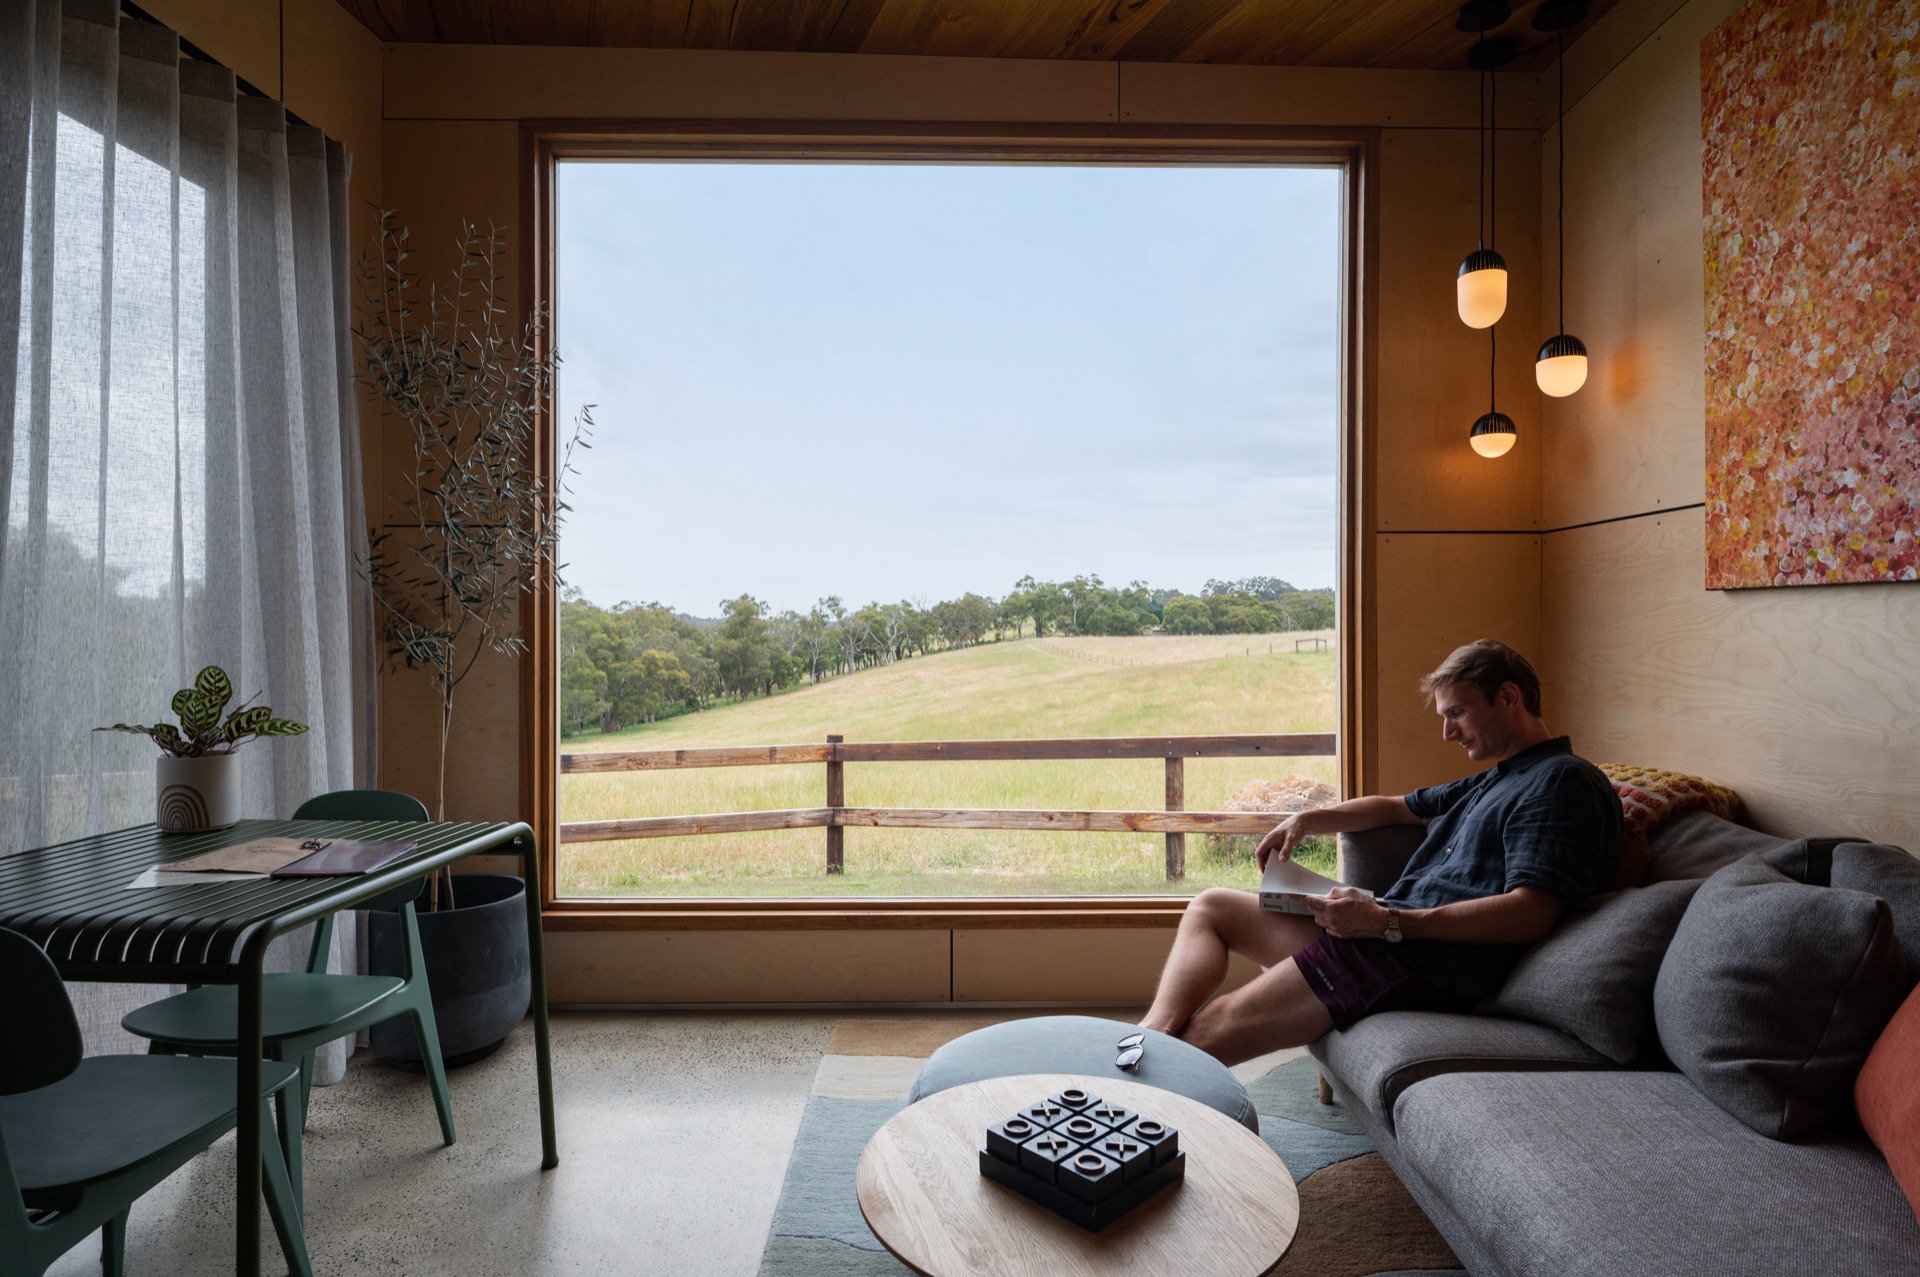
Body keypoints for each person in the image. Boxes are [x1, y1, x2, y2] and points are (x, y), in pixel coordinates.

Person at [1140, 639, 1622, 1065]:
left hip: (1423, 963)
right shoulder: (1500, 777)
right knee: (1212, 906)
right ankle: (1147, 1035)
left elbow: (1529, 914)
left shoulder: (1561, 782)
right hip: (1389, 939)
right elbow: (1396, 808)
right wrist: (1307, 819)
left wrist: (1388, 922)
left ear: (1509, 696)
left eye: (1457, 713)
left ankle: (1126, 1097)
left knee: (1208, 1032)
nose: (1448, 733)